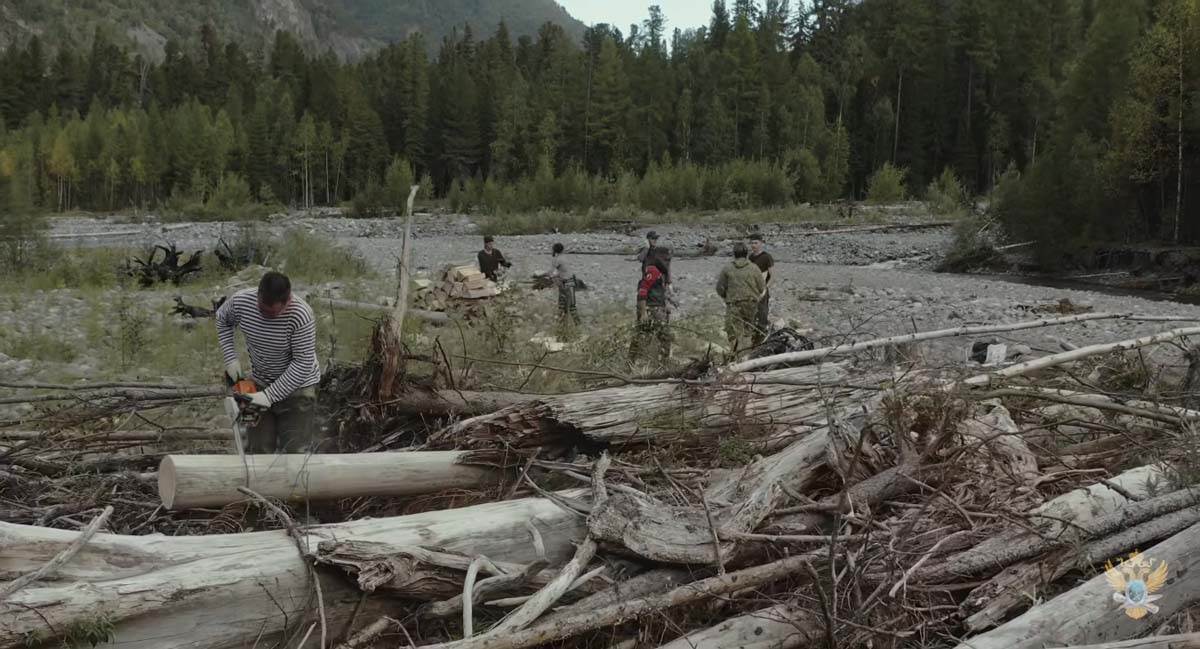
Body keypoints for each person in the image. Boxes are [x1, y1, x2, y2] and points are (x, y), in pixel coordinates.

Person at [217, 271, 321, 453]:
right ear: (258, 295)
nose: (267, 317)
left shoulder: (301, 315)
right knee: (257, 450)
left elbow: (302, 364)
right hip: (259, 382)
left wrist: (269, 396)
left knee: (295, 451)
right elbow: (222, 319)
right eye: (263, 310)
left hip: (298, 390)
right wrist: (230, 358)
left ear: (288, 300)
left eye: (274, 313)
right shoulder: (241, 301)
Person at [716, 242, 766, 354]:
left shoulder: (727, 268)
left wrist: (725, 296)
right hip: (751, 304)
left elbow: (719, 287)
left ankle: (734, 355)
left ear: (734, 254)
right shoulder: (754, 268)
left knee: (732, 331)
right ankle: (746, 356)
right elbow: (762, 287)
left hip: (733, 304)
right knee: (748, 330)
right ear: (746, 254)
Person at [630, 258, 671, 364]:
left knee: (642, 337)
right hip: (652, 310)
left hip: (655, 309)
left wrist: (665, 306)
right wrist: (643, 313)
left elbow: (660, 293)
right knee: (664, 337)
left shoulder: (659, 273)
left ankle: (632, 361)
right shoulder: (653, 271)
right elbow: (642, 291)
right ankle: (662, 364)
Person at [635, 230, 671, 321]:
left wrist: (668, 282)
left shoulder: (659, 251)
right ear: (648, 239)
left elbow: (667, 268)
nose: (654, 240)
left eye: (656, 238)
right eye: (652, 238)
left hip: (658, 282)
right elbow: (640, 258)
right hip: (648, 280)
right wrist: (647, 247)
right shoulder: (645, 251)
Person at [748, 233, 775, 345]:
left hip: (762, 290)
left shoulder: (767, 257)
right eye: (752, 243)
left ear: (761, 243)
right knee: (752, 315)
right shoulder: (751, 257)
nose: (753, 245)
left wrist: (765, 289)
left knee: (762, 314)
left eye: (756, 243)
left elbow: (773, 277)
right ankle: (753, 339)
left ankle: (762, 340)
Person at [548, 242, 580, 327]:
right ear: (563, 250)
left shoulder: (556, 259)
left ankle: (561, 325)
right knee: (572, 305)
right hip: (570, 282)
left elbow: (551, 273)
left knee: (562, 305)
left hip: (563, 283)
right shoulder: (565, 258)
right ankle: (577, 324)